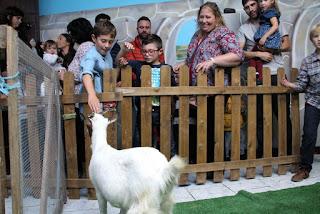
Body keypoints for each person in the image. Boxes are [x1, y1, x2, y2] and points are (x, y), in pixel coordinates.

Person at [173, 2, 244, 166]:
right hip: (197, 92)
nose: (204, 20)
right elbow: (193, 58)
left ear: (216, 17)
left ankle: (213, 168)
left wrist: (212, 61)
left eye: (208, 17)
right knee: (201, 128)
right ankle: (202, 163)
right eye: (202, 17)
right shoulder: (197, 35)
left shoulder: (223, 33)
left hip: (215, 92)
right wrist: (183, 63)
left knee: (212, 130)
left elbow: (237, 55)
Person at [237, 0, 292, 158]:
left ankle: (288, 152)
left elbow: (287, 45)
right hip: (256, 77)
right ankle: (261, 153)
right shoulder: (244, 28)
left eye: (253, 5)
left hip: (277, 74)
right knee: (258, 116)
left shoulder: (275, 20)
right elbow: (239, 53)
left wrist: (268, 48)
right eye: (246, 7)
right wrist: (258, 54)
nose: (250, 9)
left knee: (282, 115)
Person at [117, 34, 177, 157]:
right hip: (144, 111)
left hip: (162, 111)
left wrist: (171, 111)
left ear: (160, 52)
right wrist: (123, 54)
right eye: (144, 51)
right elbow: (119, 61)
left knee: (168, 141)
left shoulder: (167, 69)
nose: (147, 54)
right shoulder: (138, 66)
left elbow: (173, 92)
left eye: (151, 51)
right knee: (145, 142)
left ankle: (170, 170)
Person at [281, 23, 320, 182]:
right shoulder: (308, 61)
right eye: (316, 36)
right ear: (312, 40)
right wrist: (289, 85)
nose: (319, 39)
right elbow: (302, 85)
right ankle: (305, 169)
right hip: (314, 103)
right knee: (309, 135)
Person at [80, 20, 117, 113]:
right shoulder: (91, 55)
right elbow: (86, 73)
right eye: (103, 41)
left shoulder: (107, 53)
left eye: (110, 42)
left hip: (105, 102)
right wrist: (92, 95)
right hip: (92, 106)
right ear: (94, 38)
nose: (107, 45)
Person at [250, 0, 282, 81]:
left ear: (272, 1)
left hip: (268, 39)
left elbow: (275, 26)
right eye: (260, 1)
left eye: (265, 0)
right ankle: (259, 74)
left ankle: (256, 73)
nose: (262, 3)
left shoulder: (271, 12)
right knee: (259, 58)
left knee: (252, 55)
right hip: (267, 38)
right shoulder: (267, 12)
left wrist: (264, 37)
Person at [224, 95, 247, 160]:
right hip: (229, 123)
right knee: (227, 141)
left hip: (238, 122)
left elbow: (242, 107)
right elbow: (226, 108)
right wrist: (238, 108)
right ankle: (226, 155)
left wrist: (243, 108)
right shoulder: (227, 97)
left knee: (241, 138)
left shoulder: (239, 96)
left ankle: (242, 153)